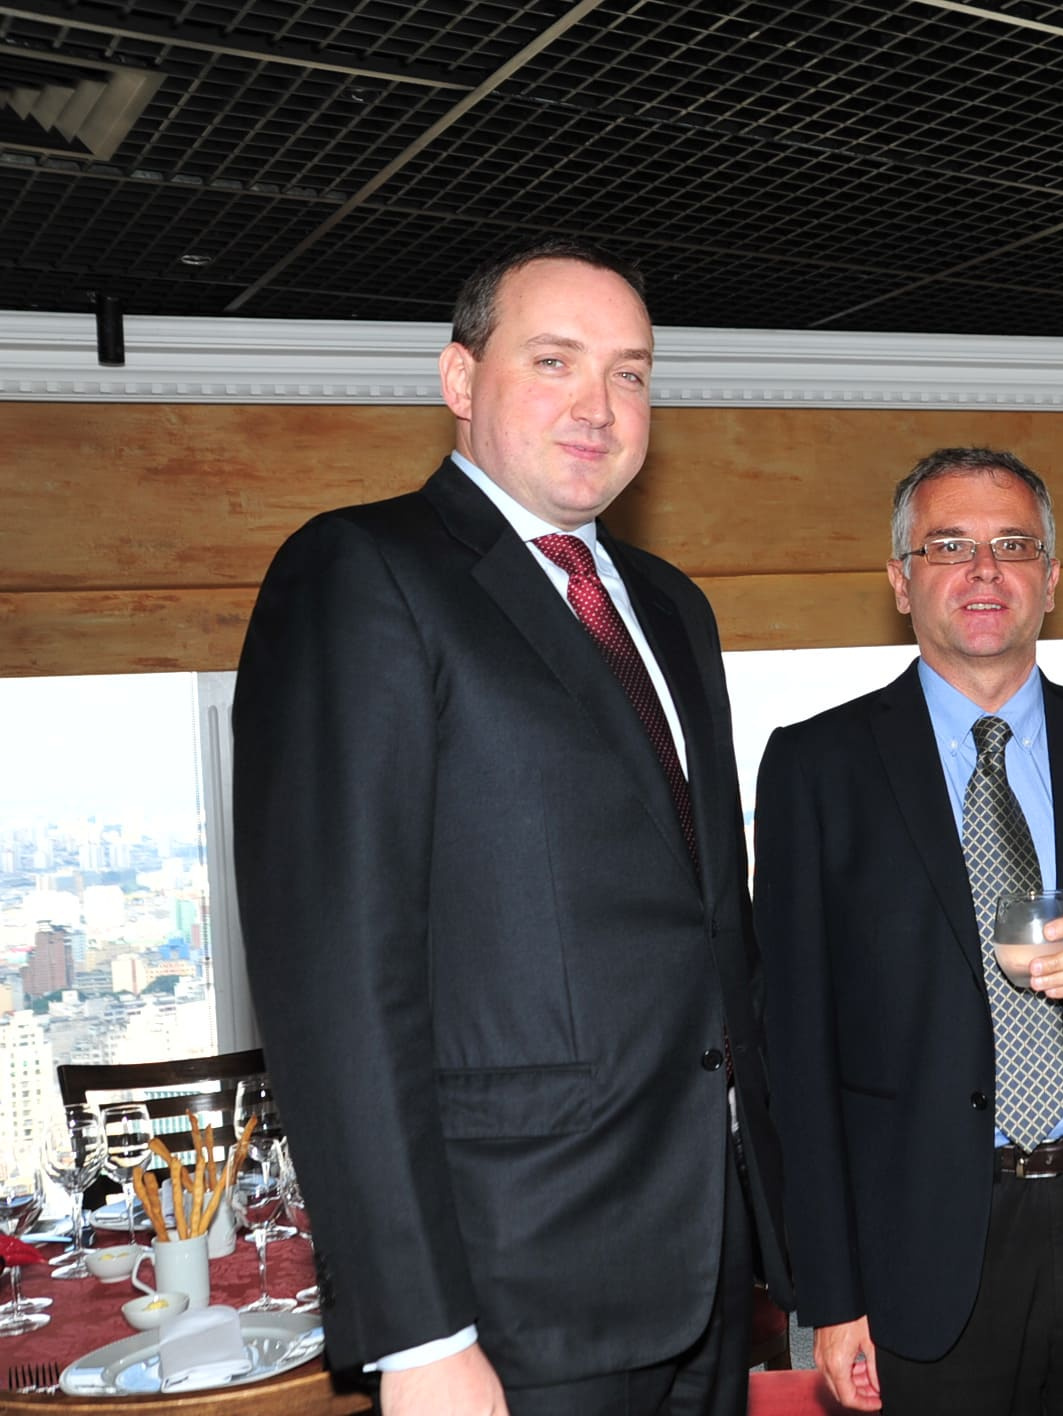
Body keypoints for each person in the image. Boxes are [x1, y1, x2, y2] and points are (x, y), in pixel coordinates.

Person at [233, 239, 788, 1416]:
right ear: (458, 378)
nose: (599, 406)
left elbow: (706, 933)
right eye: (554, 361)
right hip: (508, 1283)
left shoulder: (671, 606)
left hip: (707, 1260)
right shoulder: (361, 571)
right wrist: (417, 1330)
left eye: (629, 373)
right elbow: (337, 977)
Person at [754, 447, 1063, 1415]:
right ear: (901, 580)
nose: (984, 570)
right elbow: (793, 1057)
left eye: (1013, 545)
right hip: (919, 1247)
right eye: (948, 546)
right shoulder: (815, 767)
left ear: (1050, 579)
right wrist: (832, 1297)